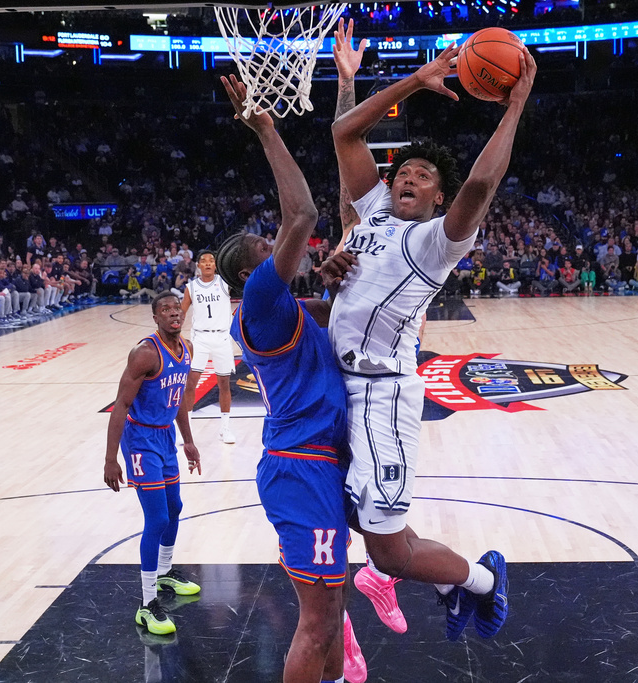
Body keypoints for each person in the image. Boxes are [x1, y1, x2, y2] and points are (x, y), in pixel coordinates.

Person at [327, 36, 536, 642]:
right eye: (404, 171)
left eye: (424, 175)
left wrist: (515, 106)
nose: (409, 177)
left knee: (388, 555)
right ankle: (448, 585)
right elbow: (346, 135)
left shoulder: (436, 242)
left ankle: (481, 580)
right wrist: (409, 81)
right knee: (363, 525)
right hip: (339, 386)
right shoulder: (371, 217)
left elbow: (478, 189)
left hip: (383, 399)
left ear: (437, 197)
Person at [214, 73, 353, 683]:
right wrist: (265, 127)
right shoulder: (263, 298)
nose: (276, 246)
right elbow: (303, 212)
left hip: (312, 463)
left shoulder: (280, 308)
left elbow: (335, 311)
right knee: (317, 621)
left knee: (331, 610)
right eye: (265, 247)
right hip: (302, 468)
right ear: (252, 269)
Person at [103, 292, 202, 637]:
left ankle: (164, 573)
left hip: (164, 439)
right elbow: (120, 406)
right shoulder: (145, 353)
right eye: (166, 310)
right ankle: (147, 606)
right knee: (157, 517)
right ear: (156, 318)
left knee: (175, 508)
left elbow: (178, 403)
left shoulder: (186, 348)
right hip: (141, 441)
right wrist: (110, 458)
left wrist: (187, 440)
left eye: (177, 308)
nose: (174, 313)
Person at [180, 251, 236, 445]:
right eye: (203, 261)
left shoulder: (225, 282)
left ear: (216, 265)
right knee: (190, 383)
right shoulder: (192, 287)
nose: (208, 264)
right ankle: (186, 430)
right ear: (198, 266)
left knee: (224, 384)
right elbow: (181, 313)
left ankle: (225, 428)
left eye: (211, 261)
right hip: (200, 338)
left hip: (221, 336)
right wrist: (174, 335)